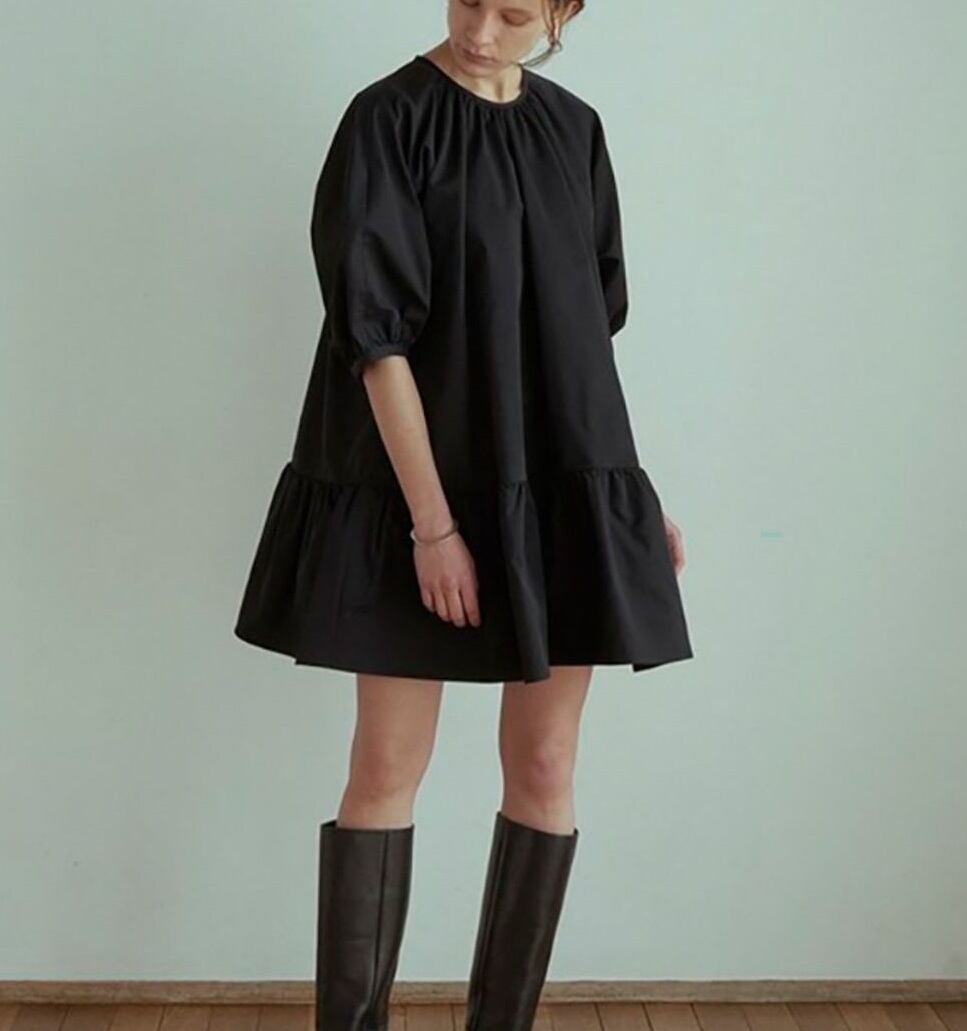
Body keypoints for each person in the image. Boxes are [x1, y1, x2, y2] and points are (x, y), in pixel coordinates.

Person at [234, 1, 694, 1027]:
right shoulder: (386, 119)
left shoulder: (573, 130)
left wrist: (626, 491)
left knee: (545, 764)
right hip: (415, 483)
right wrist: (432, 525)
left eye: (515, 12)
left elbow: (583, 336)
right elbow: (374, 339)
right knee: (385, 765)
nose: (481, 28)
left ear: (563, 12)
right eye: (467, 0)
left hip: (555, 476)